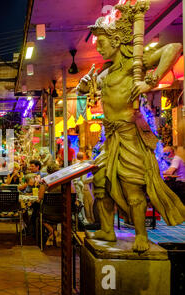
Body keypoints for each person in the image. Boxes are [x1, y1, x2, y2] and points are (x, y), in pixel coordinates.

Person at [77, 7, 184, 251]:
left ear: (116, 41)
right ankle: (107, 229)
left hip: (129, 136)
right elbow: (85, 90)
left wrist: (151, 80)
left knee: (132, 186)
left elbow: (174, 47)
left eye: (102, 42)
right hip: (111, 139)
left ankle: (141, 235)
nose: (99, 48)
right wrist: (84, 86)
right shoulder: (107, 73)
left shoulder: (134, 65)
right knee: (101, 180)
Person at [37, 162, 63, 247]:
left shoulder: (45, 181)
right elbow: (73, 193)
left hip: (48, 213)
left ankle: (53, 232)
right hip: (64, 213)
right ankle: (53, 234)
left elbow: (40, 196)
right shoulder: (65, 179)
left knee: (38, 215)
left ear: (48, 171)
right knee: (52, 211)